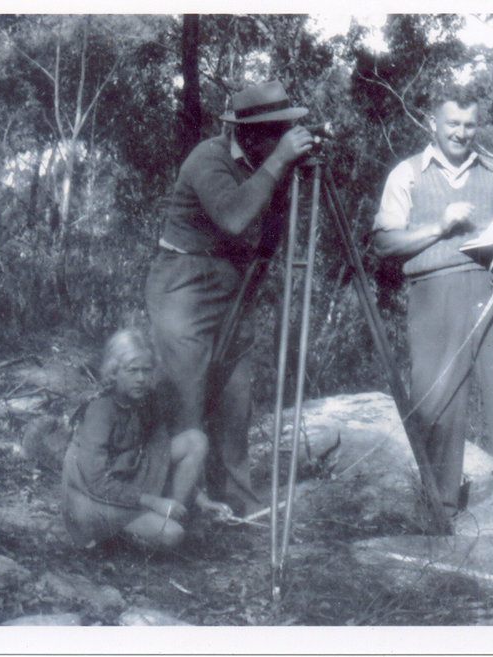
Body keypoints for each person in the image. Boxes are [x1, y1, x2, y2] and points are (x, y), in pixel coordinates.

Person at [372, 86, 493, 558]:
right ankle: (436, 515)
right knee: (437, 404)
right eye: (452, 123)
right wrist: (441, 227)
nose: (461, 133)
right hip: (434, 294)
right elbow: (383, 243)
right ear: (432, 122)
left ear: (478, 125)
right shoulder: (407, 175)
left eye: (469, 125)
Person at [144, 81, 313, 516]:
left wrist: (287, 172)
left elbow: (268, 234)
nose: (281, 140)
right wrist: (279, 163)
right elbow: (236, 217)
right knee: (186, 394)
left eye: (285, 132)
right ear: (249, 133)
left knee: (236, 398)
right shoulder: (209, 159)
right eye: (274, 133)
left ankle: (236, 499)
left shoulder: (264, 160)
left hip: (233, 283)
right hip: (185, 282)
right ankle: (182, 501)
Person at [61, 329, 217, 549]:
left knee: (195, 440)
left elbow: (158, 456)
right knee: (173, 535)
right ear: (114, 371)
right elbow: (95, 482)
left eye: (147, 370)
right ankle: (130, 534)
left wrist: (200, 499)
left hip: (130, 480)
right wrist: (154, 502)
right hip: (93, 499)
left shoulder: (146, 400)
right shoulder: (100, 410)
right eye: (132, 371)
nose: (141, 379)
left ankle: (171, 515)